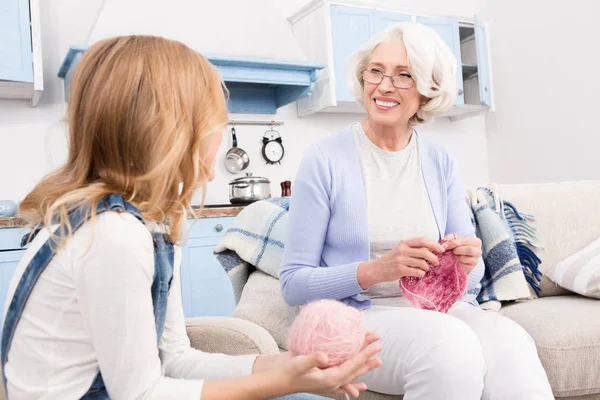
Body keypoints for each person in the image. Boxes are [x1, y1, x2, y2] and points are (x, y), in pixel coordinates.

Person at [0, 35, 382, 400]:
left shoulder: (147, 225)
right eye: (217, 124)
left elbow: (176, 360)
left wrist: (289, 366)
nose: (219, 141)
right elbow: (141, 394)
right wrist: (282, 382)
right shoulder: (113, 236)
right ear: (174, 134)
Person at [280, 22, 554, 400]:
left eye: (404, 75)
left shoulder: (439, 160)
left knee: (512, 343)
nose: (385, 85)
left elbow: (468, 282)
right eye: (375, 71)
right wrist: (378, 270)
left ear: (427, 91)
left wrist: (466, 258)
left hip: (435, 311)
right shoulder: (324, 159)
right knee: (450, 346)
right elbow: (293, 283)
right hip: (355, 317)